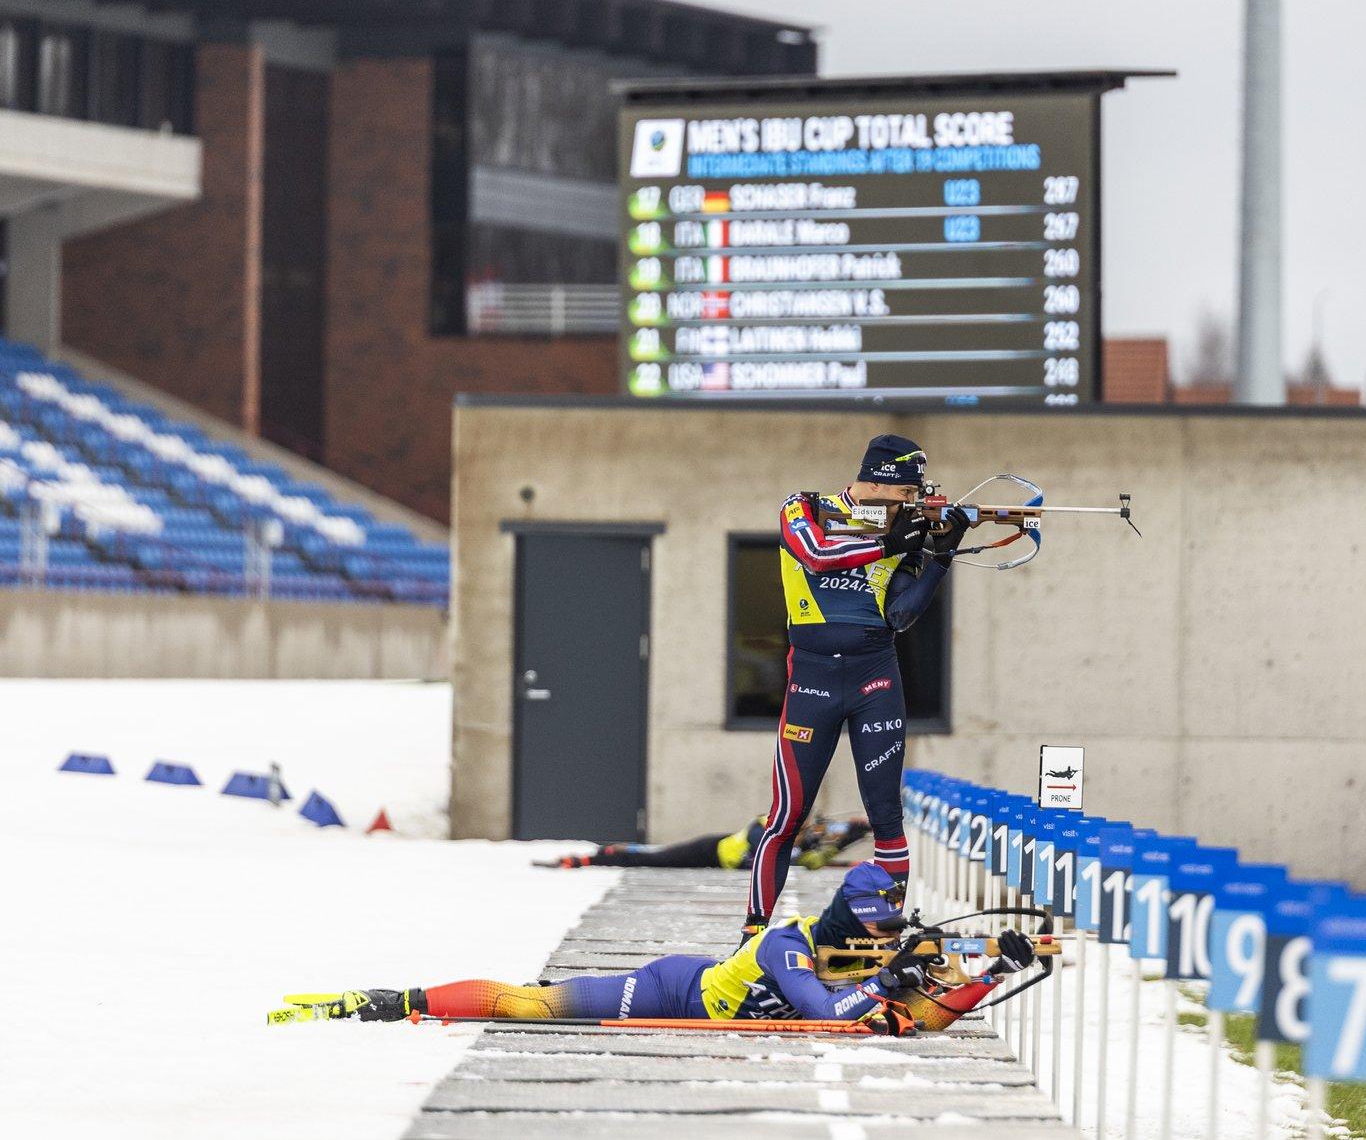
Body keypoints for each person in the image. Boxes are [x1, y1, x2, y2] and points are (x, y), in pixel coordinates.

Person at [284, 862, 1034, 1034]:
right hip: (675, 991)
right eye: (881, 932)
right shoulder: (789, 949)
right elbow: (835, 1017)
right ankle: (392, 1001)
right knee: (529, 1004)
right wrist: (891, 980)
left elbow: (920, 1017)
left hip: (719, 998)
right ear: (852, 921)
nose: (888, 943)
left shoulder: (860, 951)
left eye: (892, 936)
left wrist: (994, 966)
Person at [745, 434, 970, 938]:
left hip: (875, 677)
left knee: (887, 817)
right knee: (786, 818)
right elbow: (817, 555)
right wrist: (892, 542)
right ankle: (752, 935)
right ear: (881, 481)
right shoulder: (804, 507)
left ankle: (884, 944)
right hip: (812, 678)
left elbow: (901, 614)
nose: (911, 505)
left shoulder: (904, 528)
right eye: (906, 493)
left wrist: (940, 556)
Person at [537, 815, 869, 872]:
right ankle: (595, 857)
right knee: (656, 860)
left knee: (657, 857)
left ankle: (611, 852)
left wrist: (854, 834)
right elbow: (760, 840)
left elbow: (814, 858)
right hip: (709, 850)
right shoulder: (768, 827)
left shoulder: (795, 847)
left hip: (713, 860)